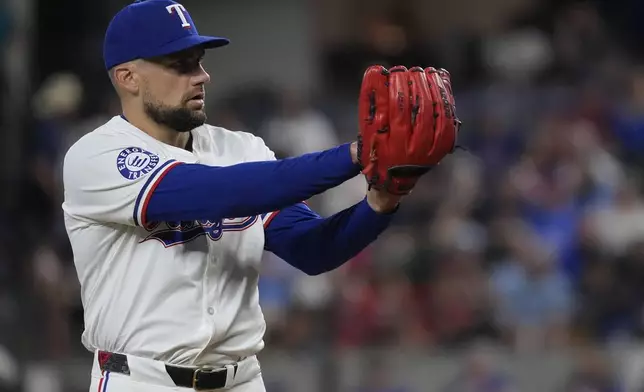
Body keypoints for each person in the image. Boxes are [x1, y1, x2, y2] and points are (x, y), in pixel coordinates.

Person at [61, 1, 405, 391]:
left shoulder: (242, 149)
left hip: (241, 379)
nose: (202, 76)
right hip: (141, 379)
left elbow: (314, 249)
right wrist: (356, 155)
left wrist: (382, 202)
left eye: (200, 61)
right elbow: (219, 192)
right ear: (128, 77)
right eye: (180, 64)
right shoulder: (95, 157)